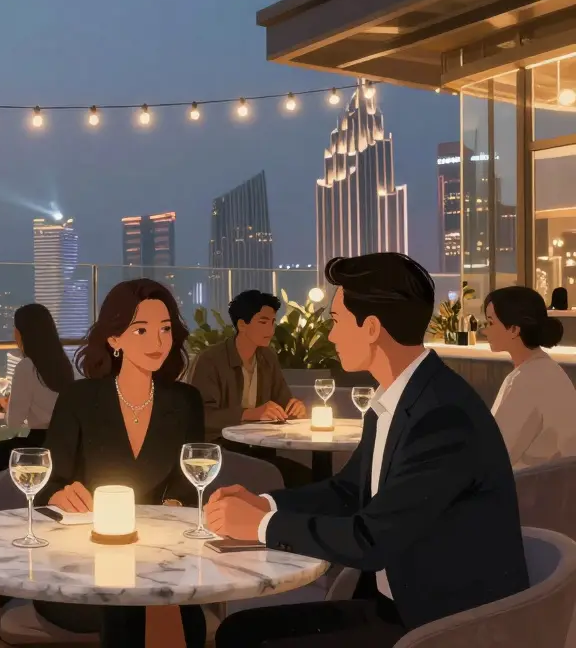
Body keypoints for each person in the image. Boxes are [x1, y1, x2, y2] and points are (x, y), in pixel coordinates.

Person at [207, 253, 528, 648]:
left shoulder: (442, 416)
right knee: (240, 632)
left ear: (372, 328)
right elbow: (347, 492)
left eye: (337, 321)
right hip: (398, 604)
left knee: (248, 639)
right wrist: (265, 505)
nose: (331, 335)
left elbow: (370, 540)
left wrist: (258, 527)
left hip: (444, 625)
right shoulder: (396, 400)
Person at [35, 279, 206, 648]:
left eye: (164, 330)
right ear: (114, 339)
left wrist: (171, 511)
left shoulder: (186, 401)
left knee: (162, 599)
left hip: (162, 556)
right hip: (82, 563)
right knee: (128, 605)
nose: (157, 342)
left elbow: (190, 484)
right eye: (140, 330)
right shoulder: (79, 398)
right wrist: (61, 495)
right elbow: (48, 482)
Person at [189, 290, 311, 486]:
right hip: (221, 453)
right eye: (263, 322)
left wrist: (294, 409)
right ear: (242, 324)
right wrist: (250, 413)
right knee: (293, 478)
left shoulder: (267, 357)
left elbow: (283, 402)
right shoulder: (210, 360)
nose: (270, 330)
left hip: (259, 449)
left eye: (272, 322)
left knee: (308, 479)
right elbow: (200, 416)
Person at [0, 303, 74, 487]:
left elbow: (13, 423)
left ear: (21, 334)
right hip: (66, 446)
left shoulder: (27, 367)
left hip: (38, 446)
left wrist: (7, 404)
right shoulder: (67, 365)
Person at [481, 285, 576, 469]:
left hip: (530, 492)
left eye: (491, 323)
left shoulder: (527, 381)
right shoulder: (547, 370)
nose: (486, 330)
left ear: (514, 329)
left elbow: (495, 456)